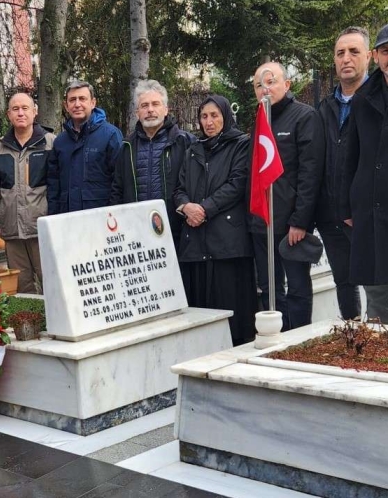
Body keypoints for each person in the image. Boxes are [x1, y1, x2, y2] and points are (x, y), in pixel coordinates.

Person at [174, 95, 257, 345]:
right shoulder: (193, 150)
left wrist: (205, 209)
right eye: (204, 116)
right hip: (196, 240)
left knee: (230, 306)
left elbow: (237, 184)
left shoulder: (240, 144)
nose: (209, 122)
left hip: (227, 242)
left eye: (214, 115)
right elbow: (179, 188)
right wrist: (186, 207)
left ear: (225, 116)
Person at [250, 62, 324, 330]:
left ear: (287, 84)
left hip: (291, 224)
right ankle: (277, 339)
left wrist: (300, 221)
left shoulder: (304, 116)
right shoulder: (260, 119)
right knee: (270, 289)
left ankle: (299, 338)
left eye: (271, 82)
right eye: (259, 85)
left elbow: (310, 173)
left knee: (297, 288)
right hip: (262, 222)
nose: (265, 89)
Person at [317, 27, 369, 320]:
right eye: (340, 53)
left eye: (354, 52)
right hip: (331, 216)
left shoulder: (379, 100)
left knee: (378, 286)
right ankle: (354, 339)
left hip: (368, 213)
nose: (346, 59)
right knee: (344, 282)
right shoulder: (325, 107)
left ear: (369, 57)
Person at [341, 23, 388, 321]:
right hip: (372, 212)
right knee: (378, 292)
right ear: (377, 55)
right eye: (386, 51)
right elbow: (350, 157)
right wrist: (346, 206)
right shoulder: (363, 98)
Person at [0, 92, 56, 293]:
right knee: (22, 287)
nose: (20, 113)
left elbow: (57, 186)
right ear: (8, 114)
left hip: (42, 229)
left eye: (25, 108)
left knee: (51, 282)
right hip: (12, 231)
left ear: (34, 112)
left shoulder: (50, 142)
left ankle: (53, 324)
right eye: (15, 109)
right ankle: (29, 325)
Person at [110, 79, 193, 237]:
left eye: (155, 104)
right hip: (136, 232)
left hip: (177, 231)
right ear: (137, 113)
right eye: (144, 105)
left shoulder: (184, 142)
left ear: (166, 109)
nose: (150, 110)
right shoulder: (126, 147)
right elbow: (117, 190)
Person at [47, 80, 123, 215]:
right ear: (66, 105)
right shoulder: (60, 142)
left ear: (92, 103)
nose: (77, 104)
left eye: (82, 99)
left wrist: (115, 215)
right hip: (68, 219)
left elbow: (120, 181)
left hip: (101, 219)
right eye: (72, 100)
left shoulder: (110, 135)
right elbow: (54, 186)